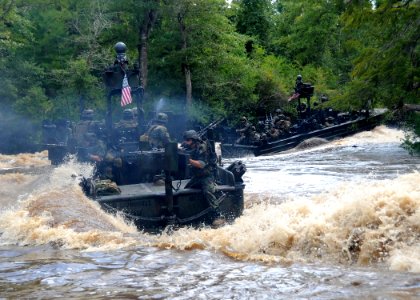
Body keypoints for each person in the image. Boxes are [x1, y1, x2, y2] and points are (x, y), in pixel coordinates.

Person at [182, 130, 219, 209]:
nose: (186, 142)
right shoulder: (191, 147)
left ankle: (217, 214)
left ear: (194, 140)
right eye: (186, 140)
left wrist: (188, 160)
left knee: (208, 192)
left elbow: (201, 164)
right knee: (186, 190)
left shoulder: (203, 147)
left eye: (188, 140)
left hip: (207, 175)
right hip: (198, 176)